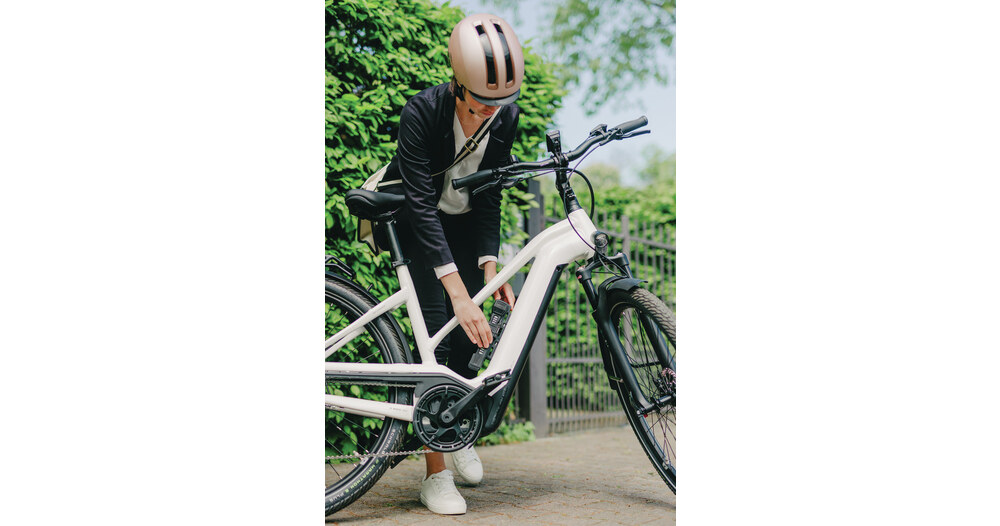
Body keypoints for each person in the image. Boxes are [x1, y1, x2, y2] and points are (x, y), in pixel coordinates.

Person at [377, 13, 523, 515]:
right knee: (436, 336)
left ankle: (456, 426)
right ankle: (434, 475)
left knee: (471, 338)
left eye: (499, 104)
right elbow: (421, 205)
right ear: (458, 83)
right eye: (481, 103)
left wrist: (489, 269)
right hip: (416, 224)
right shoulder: (421, 112)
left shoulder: (504, 116)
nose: (491, 113)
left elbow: (489, 193)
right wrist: (457, 294)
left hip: (461, 228)